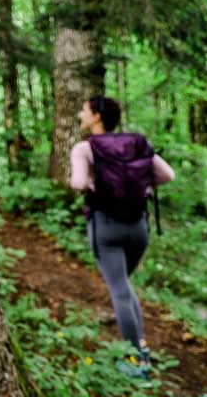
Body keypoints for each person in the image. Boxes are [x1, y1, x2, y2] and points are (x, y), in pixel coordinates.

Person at [69, 96, 175, 378]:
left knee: (119, 289)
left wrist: (90, 183)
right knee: (124, 286)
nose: (81, 114)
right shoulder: (137, 143)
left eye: (85, 110)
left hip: (106, 226)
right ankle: (141, 345)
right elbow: (168, 175)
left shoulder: (85, 148)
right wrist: (139, 187)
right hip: (138, 226)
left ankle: (136, 361)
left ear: (97, 117)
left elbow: (78, 183)